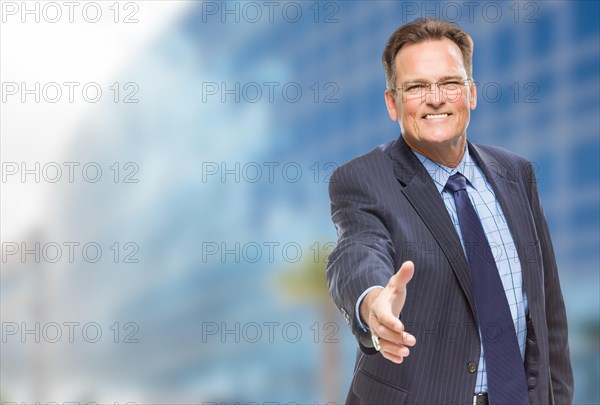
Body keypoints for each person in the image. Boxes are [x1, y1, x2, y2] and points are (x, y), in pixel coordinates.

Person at [326, 18, 573, 405]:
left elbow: (548, 310)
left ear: (471, 93)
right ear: (392, 103)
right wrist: (373, 303)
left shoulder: (517, 173)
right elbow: (357, 250)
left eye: (449, 83)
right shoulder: (362, 178)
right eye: (416, 87)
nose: (436, 98)